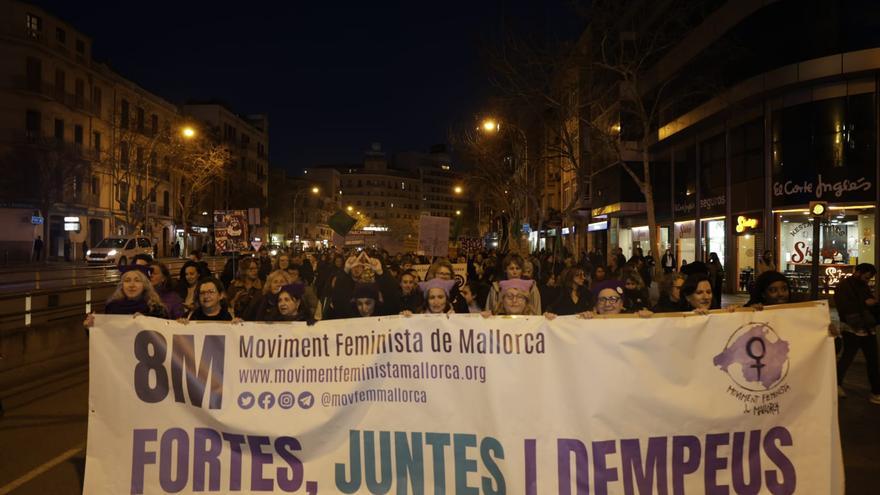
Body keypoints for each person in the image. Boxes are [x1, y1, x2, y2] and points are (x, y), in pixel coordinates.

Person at [834, 263, 880, 403]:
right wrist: (867, 304)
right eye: (867, 277)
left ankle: (876, 391)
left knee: (872, 360)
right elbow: (845, 307)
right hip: (851, 329)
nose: (868, 280)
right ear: (858, 272)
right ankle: (836, 384)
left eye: (869, 278)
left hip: (867, 328)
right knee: (848, 358)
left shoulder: (861, 285)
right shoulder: (844, 286)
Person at [83, 265, 168, 328]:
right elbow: (105, 339)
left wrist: (147, 322)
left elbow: (164, 337)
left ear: (145, 285)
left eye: (137, 281)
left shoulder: (157, 309)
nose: (131, 285)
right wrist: (91, 327)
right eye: (127, 281)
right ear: (122, 285)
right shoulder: (112, 308)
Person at [577, 280, 651, 318]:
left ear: (621, 304)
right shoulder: (590, 321)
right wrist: (581, 321)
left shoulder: (632, 319)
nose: (607, 304)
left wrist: (649, 320)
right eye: (602, 299)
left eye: (613, 299)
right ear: (596, 306)